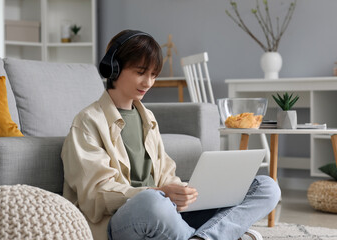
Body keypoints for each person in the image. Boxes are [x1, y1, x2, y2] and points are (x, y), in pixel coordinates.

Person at [61, 29, 281, 240]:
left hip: (166, 213)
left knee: (266, 187)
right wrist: (157, 193)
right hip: (123, 220)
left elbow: (166, 174)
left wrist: (182, 193)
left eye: (153, 75)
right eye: (140, 73)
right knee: (151, 202)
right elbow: (96, 195)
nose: (148, 83)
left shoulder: (148, 117)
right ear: (114, 68)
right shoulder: (88, 122)